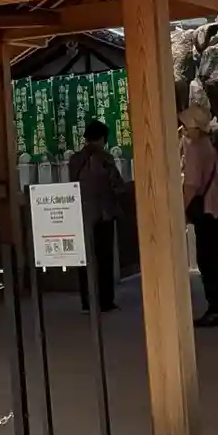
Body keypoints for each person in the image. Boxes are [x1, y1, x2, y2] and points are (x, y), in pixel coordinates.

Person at [180, 104, 218, 328]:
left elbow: (192, 184)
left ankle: (217, 309)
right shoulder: (207, 144)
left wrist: (181, 208)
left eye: (186, 125)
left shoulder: (195, 148)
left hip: (208, 210)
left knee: (206, 262)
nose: (183, 129)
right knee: (210, 261)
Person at [66, 118, 125, 312]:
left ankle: (87, 301)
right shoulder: (105, 159)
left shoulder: (75, 160)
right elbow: (117, 185)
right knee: (104, 259)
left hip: (81, 215)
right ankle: (105, 301)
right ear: (102, 138)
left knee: (85, 260)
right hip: (103, 214)